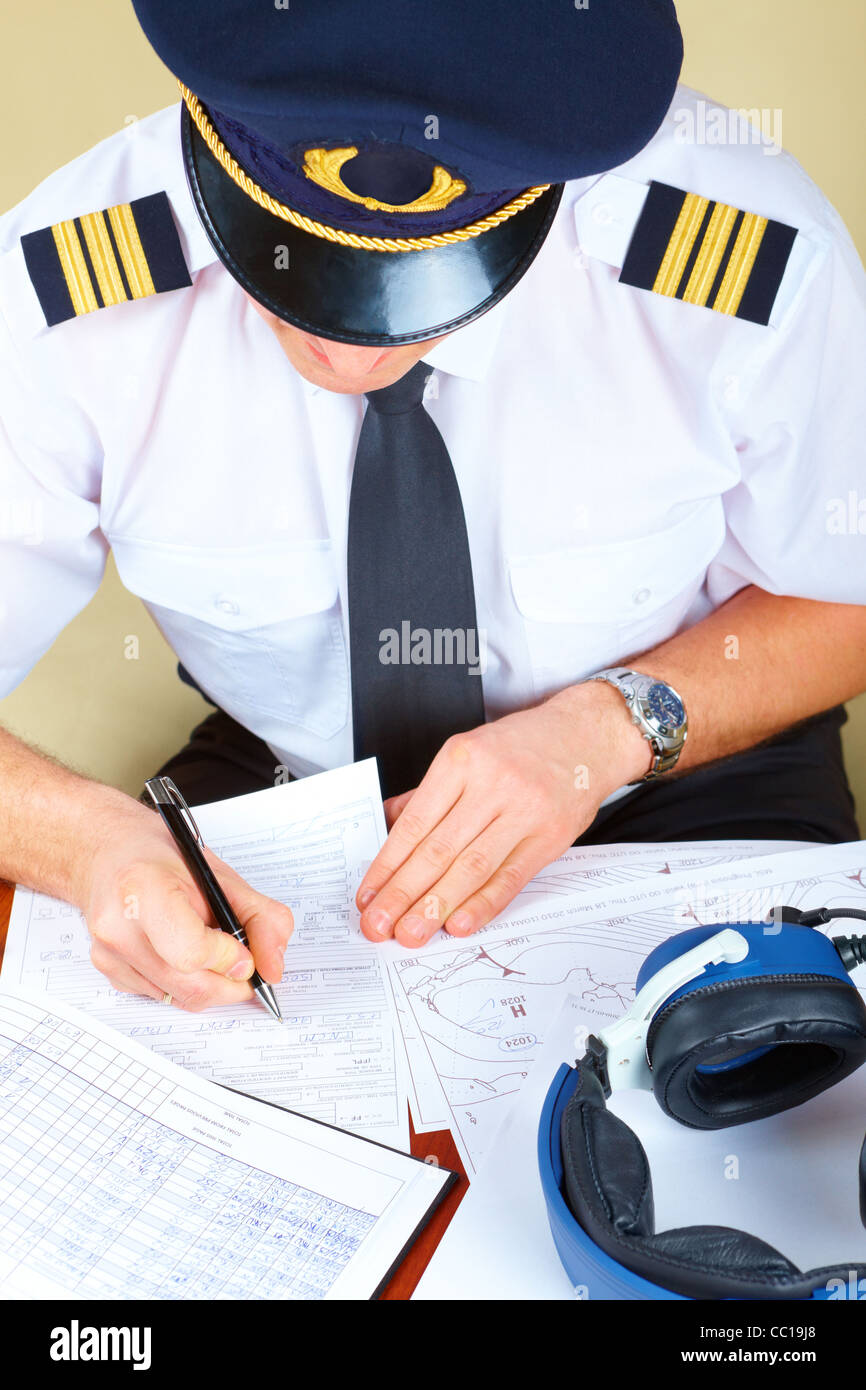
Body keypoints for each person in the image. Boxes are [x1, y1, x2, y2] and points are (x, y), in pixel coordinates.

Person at [1, 1, 864, 1013]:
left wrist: (604, 731)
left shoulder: (742, 261)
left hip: (681, 757)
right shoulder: (65, 296)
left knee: (762, 1125)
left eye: (417, 287)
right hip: (301, 789)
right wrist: (85, 841)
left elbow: (841, 599)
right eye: (301, 273)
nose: (352, 354)